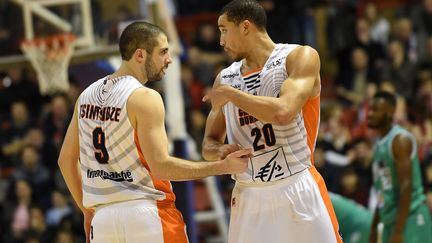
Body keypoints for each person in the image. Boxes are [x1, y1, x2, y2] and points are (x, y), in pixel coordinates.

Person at [57, 21, 251, 243]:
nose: (169, 59)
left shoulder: (85, 96)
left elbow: (66, 160)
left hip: (102, 222)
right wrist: (221, 167)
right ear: (140, 55)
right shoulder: (144, 97)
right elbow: (161, 166)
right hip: (146, 214)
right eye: (163, 52)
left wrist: (86, 209)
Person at [202, 1, 342, 242]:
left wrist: (233, 95)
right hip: (249, 193)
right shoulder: (225, 79)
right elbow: (208, 145)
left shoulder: (298, 56)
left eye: (224, 30)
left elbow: (284, 112)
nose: (221, 41)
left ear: (245, 27)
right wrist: (220, 151)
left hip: (296, 183)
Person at [367, 91, 432, 243]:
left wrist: (398, 231)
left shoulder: (399, 140)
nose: (369, 114)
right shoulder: (378, 144)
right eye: (369, 109)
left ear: (390, 112)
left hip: (410, 218)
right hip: (392, 220)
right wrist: (374, 226)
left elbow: (406, 186)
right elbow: (383, 190)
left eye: (375, 109)